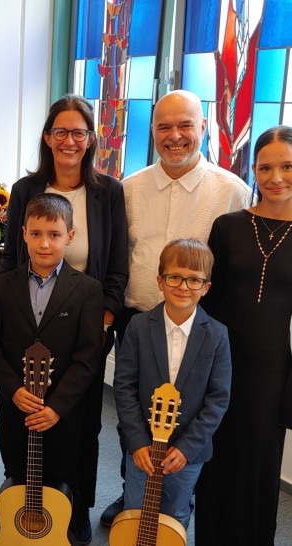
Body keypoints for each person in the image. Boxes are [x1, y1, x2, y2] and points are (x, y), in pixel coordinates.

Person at [0, 94, 128, 543]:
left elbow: (117, 265)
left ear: (90, 139)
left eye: (78, 132)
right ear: (47, 137)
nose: (68, 140)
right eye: (59, 131)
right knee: (23, 417)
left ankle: (75, 508)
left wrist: (100, 322)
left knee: (79, 423)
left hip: (85, 321)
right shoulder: (27, 191)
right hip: (29, 314)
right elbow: (10, 261)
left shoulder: (108, 192)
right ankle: (22, 500)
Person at [100, 89, 251, 526]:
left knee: (190, 420)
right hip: (140, 322)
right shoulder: (129, 188)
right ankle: (134, 492)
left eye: (185, 124)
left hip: (198, 328)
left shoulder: (231, 191)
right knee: (133, 414)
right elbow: (116, 258)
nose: (175, 136)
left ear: (203, 127)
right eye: (164, 126)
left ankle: (179, 502)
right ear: (153, 131)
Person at [0, 193, 104, 543]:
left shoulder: (89, 291)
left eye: (54, 234)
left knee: (63, 469)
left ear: (70, 237)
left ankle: (65, 522)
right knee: (18, 467)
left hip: (63, 410)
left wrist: (57, 407)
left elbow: (88, 357)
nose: (44, 243)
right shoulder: (2, 285)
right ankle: (18, 521)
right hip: (15, 404)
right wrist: (13, 390)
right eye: (35, 234)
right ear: (23, 234)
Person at [194, 125, 292, 545]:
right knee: (214, 460)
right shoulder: (228, 226)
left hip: (273, 372)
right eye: (266, 167)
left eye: (287, 167)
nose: (276, 178)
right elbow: (208, 305)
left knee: (258, 467)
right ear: (253, 170)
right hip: (222, 363)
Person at [113, 238, 231, 530]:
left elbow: (218, 400)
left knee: (175, 516)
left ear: (206, 288)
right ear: (160, 281)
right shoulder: (138, 327)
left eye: (194, 280)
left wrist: (188, 448)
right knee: (134, 514)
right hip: (142, 451)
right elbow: (124, 386)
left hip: (187, 455)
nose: (183, 286)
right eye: (175, 277)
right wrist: (138, 442)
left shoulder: (217, 335)